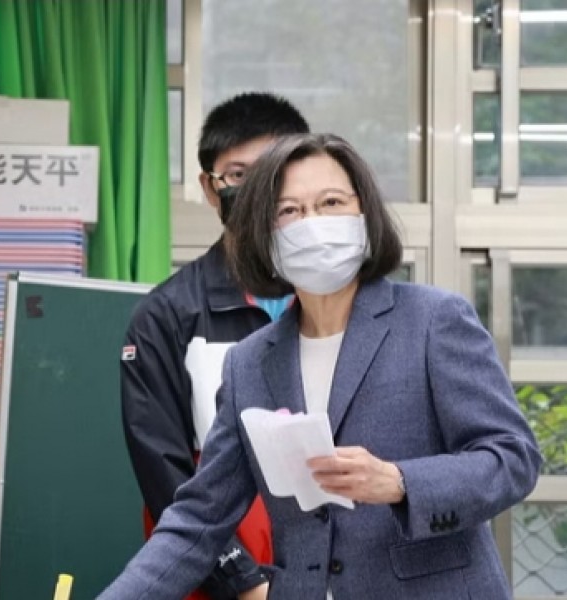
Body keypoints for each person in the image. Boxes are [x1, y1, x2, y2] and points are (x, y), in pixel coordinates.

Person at [103, 133, 542, 599]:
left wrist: (399, 482)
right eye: (288, 211)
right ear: (263, 235)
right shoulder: (249, 364)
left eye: (331, 202)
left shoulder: (434, 321)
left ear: (364, 214)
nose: (310, 223)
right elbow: (199, 519)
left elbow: (513, 459)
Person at [120, 92, 309, 600]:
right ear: (209, 186)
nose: (256, 191)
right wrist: (243, 583)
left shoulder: (337, 298)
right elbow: (165, 474)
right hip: (217, 579)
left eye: (272, 171)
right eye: (237, 174)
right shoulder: (167, 316)